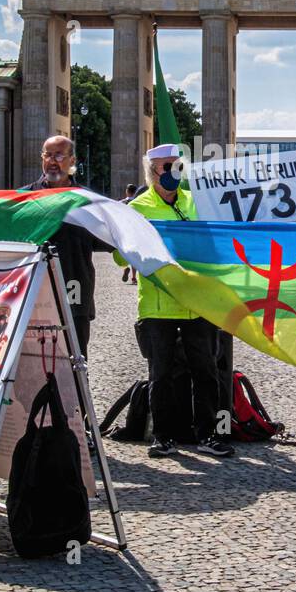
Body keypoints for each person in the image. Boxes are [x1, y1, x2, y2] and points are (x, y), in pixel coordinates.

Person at [118, 143, 233, 460]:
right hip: (157, 306)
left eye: (176, 166)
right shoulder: (137, 208)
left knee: (206, 372)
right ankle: (162, 436)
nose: (172, 173)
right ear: (151, 171)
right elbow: (118, 257)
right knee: (161, 374)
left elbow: (216, 240)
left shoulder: (197, 203)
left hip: (197, 303)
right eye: (166, 167)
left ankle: (208, 435)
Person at [28, 135, 113, 358]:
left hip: (74, 294)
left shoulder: (87, 201)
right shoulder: (24, 199)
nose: (52, 161)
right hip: (32, 297)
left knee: (75, 362)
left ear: (72, 160)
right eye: (48, 155)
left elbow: (110, 239)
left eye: (59, 155)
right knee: (32, 364)